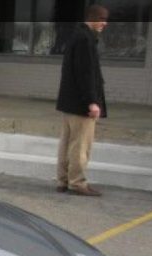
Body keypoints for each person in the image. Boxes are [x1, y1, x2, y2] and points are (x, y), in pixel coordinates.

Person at [56, 5, 109, 197]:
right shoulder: (85, 39)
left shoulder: (76, 36)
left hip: (69, 102)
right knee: (80, 145)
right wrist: (92, 102)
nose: (105, 23)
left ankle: (63, 180)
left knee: (66, 143)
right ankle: (77, 183)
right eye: (102, 19)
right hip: (80, 105)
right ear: (92, 18)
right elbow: (86, 74)